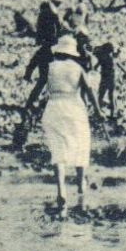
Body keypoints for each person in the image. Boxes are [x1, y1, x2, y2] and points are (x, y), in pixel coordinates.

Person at [33, 34, 101, 210]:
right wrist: (99, 111)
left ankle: (61, 190)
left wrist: (27, 106)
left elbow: (38, 87)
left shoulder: (49, 68)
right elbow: (90, 90)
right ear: (72, 52)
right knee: (81, 143)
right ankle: (80, 185)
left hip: (54, 107)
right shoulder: (78, 68)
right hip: (74, 107)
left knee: (58, 150)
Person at [93, 42, 120, 118]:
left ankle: (99, 111)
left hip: (105, 78)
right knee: (111, 96)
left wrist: (96, 70)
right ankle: (113, 113)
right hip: (111, 79)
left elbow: (95, 67)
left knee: (101, 95)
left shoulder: (104, 58)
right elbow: (120, 66)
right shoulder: (113, 59)